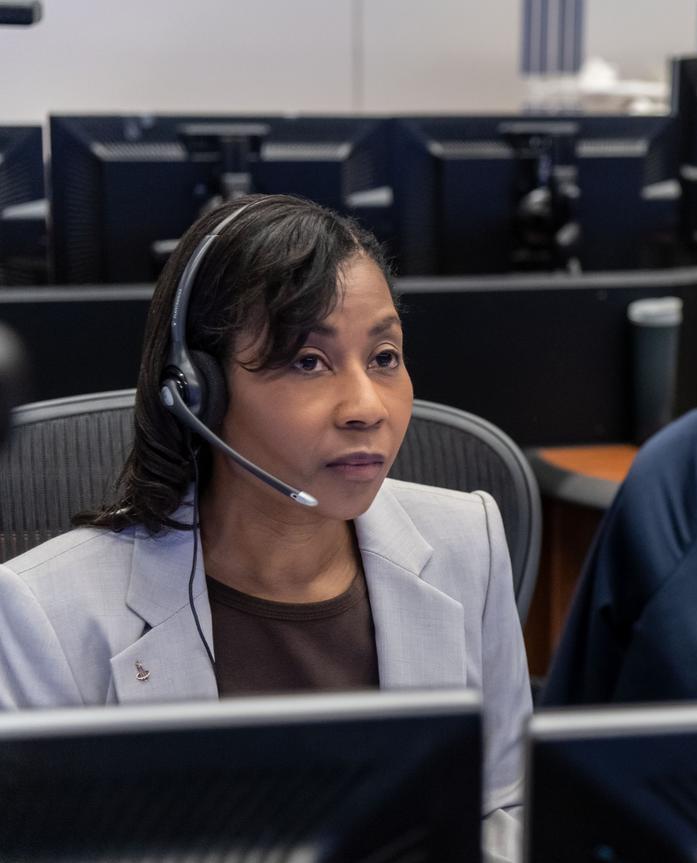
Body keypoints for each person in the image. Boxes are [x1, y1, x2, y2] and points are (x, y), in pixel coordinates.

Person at [0, 195, 531, 860]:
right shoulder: (46, 613)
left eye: (385, 356)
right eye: (308, 361)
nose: (367, 406)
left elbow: (505, 802)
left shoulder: (467, 541)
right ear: (199, 391)